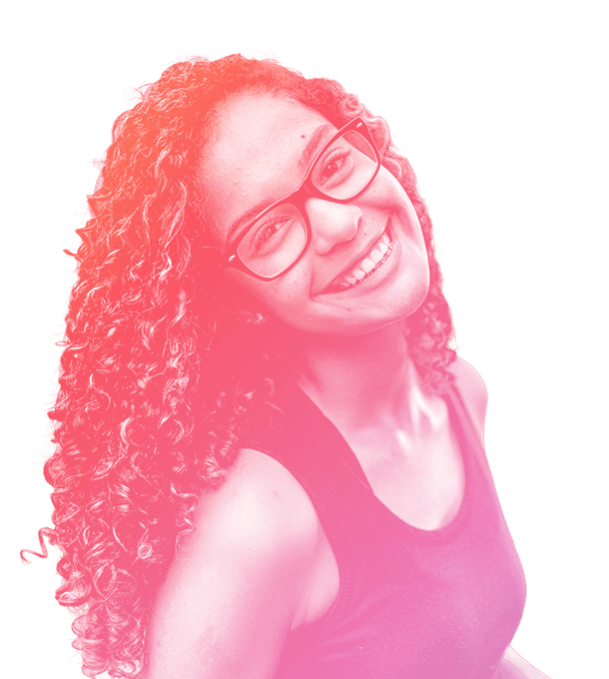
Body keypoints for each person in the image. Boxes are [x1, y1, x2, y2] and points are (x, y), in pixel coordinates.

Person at [22, 50, 549, 679]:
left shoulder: (460, 391)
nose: (339, 222)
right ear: (234, 302)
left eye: (332, 164)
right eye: (269, 231)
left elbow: (468, 652)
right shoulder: (259, 523)